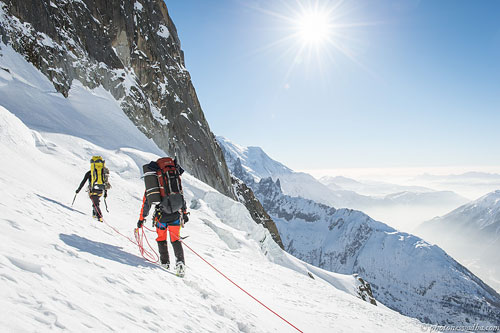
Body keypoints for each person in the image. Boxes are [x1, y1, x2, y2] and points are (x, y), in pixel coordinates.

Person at [137, 158, 189, 276]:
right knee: (175, 239)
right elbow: (181, 195)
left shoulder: (154, 184)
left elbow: (147, 203)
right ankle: (180, 264)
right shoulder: (174, 178)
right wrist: (184, 213)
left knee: (161, 238)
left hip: (161, 216)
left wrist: (142, 218)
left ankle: (165, 263)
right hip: (176, 214)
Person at [75, 156, 109, 222]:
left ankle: (99, 217)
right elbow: (105, 182)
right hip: (100, 191)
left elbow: (83, 182)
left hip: (93, 191)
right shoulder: (103, 173)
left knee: (95, 204)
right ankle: (94, 215)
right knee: (96, 202)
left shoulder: (89, 173)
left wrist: (78, 190)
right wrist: (105, 193)